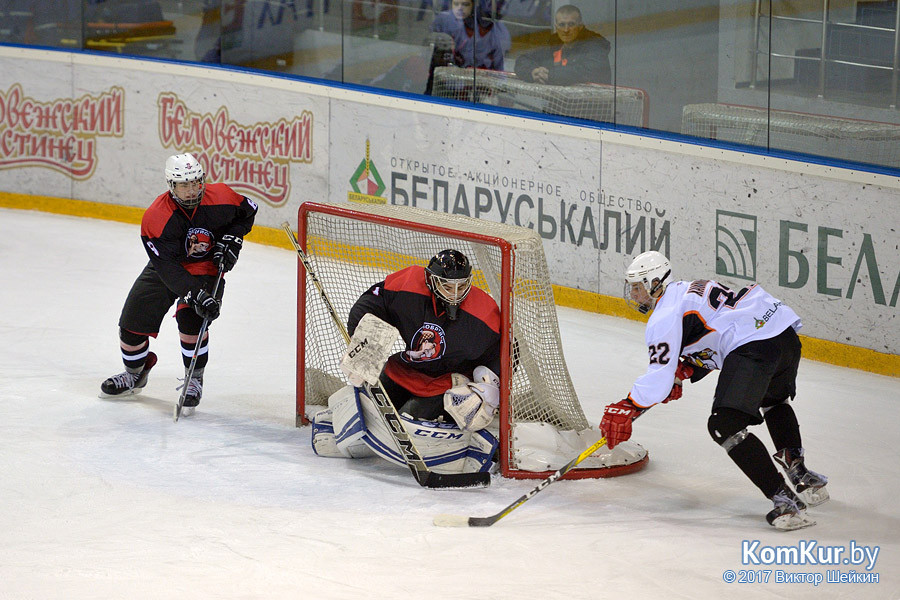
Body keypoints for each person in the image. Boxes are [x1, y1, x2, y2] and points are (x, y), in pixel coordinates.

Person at [599, 251, 829, 531]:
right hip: (784, 336)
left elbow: (658, 378)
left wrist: (629, 405)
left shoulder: (665, 315)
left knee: (724, 424)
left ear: (655, 283)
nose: (633, 295)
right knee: (773, 399)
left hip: (755, 346)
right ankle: (801, 474)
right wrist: (688, 370)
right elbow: (719, 333)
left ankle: (785, 501)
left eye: (637, 287)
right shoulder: (688, 289)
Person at [310, 249, 502, 474]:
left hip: (445, 384)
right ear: (431, 279)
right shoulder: (409, 286)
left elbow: (506, 349)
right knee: (368, 405)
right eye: (447, 286)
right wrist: (361, 346)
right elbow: (370, 304)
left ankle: (467, 445)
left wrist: (489, 384)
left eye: (461, 286)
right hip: (403, 369)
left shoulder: (482, 311)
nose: (455, 294)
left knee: (406, 421)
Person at [99, 153, 258, 414]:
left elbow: (248, 211)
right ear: (171, 185)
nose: (192, 189)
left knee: (192, 319)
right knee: (131, 323)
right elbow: (167, 269)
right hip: (168, 267)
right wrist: (195, 293)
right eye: (184, 185)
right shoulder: (156, 217)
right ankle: (134, 374)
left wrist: (233, 237)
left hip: (205, 266)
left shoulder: (221, 197)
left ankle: (194, 379)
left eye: (196, 182)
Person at [426, 0, 511, 94]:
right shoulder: (447, 21)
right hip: (443, 86)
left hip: (475, 92)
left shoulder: (501, 33)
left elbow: (500, 71)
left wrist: (503, 90)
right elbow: (429, 52)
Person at [514, 5, 611, 86]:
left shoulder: (595, 44)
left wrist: (551, 75)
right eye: (562, 25)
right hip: (558, 106)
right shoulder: (553, 43)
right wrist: (533, 72)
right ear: (556, 27)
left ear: (580, 26)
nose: (566, 30)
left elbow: (591, 71)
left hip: (589, 106)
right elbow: (523, 60)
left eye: (571, 24)